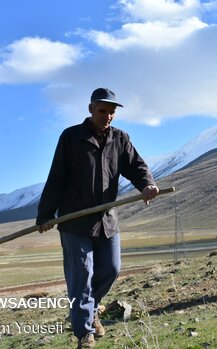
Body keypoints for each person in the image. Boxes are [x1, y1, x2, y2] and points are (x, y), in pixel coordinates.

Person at [36, 87, 159, 348]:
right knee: (81, 274)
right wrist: (46, 214)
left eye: (112, 112)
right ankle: (84, 333)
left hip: (106, 220)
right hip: (74, 221)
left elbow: (136, 166)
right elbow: (56, 177)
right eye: (103, 110)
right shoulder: (71, 137)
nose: (108, 116)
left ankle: (90, 310)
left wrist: (146, 184)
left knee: (112, 268)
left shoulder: (120, 138)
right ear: (90, 109)